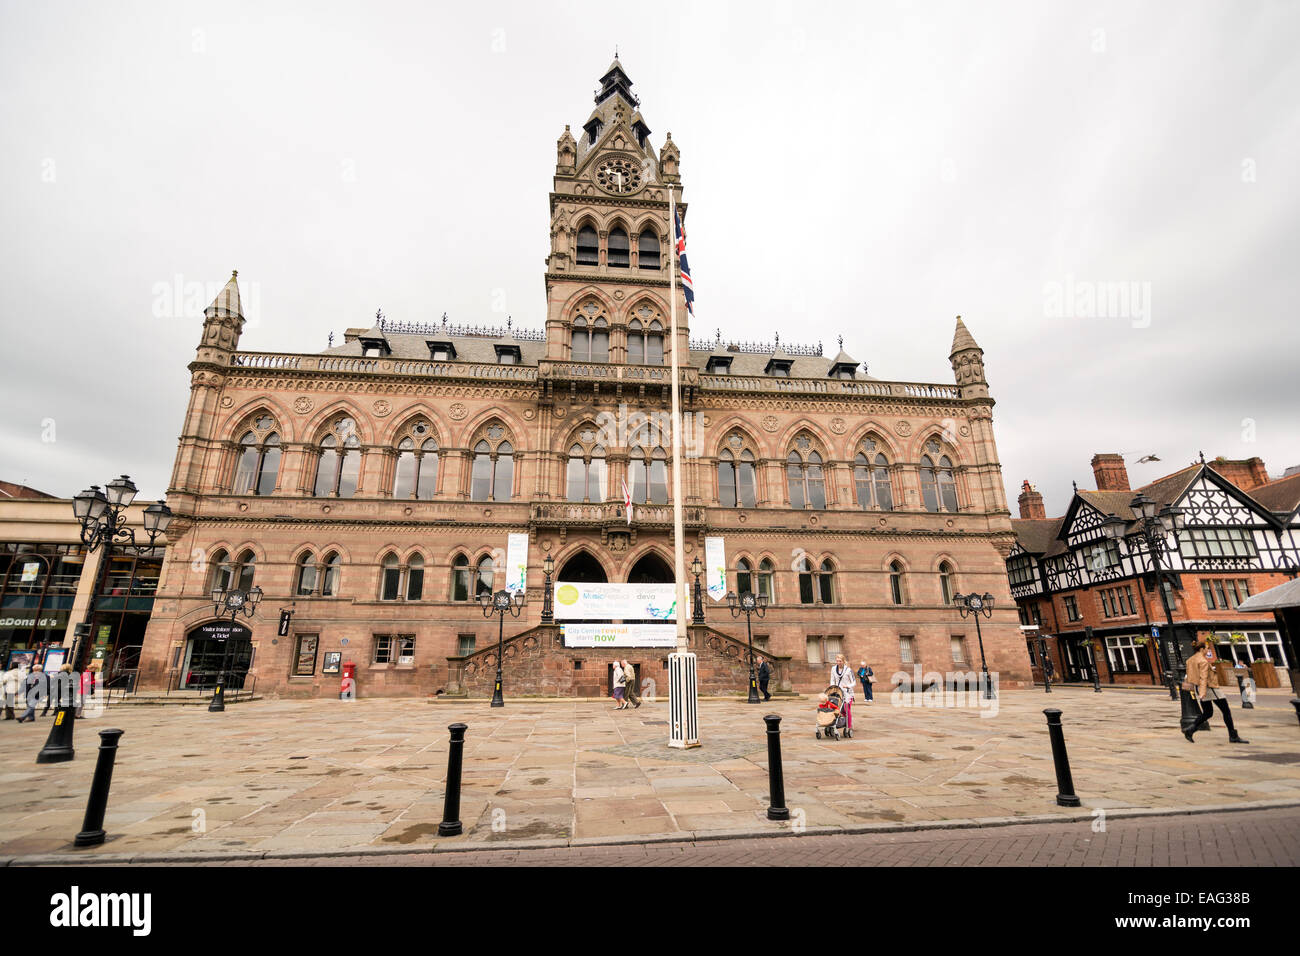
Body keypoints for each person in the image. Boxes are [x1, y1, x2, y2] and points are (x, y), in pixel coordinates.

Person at [1185, 635, 1248, 744]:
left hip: (1198, 687)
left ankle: (1190, 730)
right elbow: (1203, 677)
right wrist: (1203, 692)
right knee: (1226, 711)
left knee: (1208, 712)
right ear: (1201, 649)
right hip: (1210, 688)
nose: (1207, 650)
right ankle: (1233, 736)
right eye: (1207, 648)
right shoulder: (1203, 661)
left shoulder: (1190, 660)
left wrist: (1197, 689)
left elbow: (1190, 675)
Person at [830, 653, 856, 739]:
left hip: (848, 693)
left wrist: (848, 686)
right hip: (838, 692)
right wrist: (833, 688)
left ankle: (848, 726)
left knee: (846, 709)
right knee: (836, 708)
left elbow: (854, 682)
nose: (838, 663)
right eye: (837, 661)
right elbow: (832, 680)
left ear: (843, 661)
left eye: (840, 661)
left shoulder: (848, 670)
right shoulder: (833, 669)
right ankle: (838, 723)